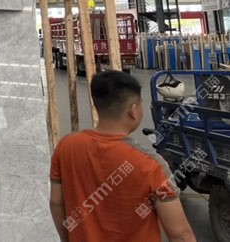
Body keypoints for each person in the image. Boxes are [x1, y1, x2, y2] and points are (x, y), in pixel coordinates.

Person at [49, 70, 196, 242]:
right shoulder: (150, 164)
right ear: (133, 110)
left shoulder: (66, 147)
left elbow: (56, 202)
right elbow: (180, 235)